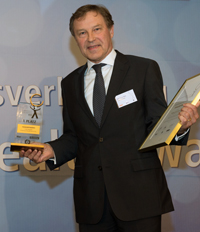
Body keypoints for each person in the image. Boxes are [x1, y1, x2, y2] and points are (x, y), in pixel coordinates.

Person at [19, 4, 200, 232]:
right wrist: (50, 150)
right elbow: (75, 137)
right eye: (82, 33)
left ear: (111, 30)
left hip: (139, 198)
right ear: (75, 39)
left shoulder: (143, 69)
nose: (91, 38)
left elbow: (157, 124)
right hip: (92, 203)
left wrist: (180, 127)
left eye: (97, 29)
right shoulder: (69, 83)